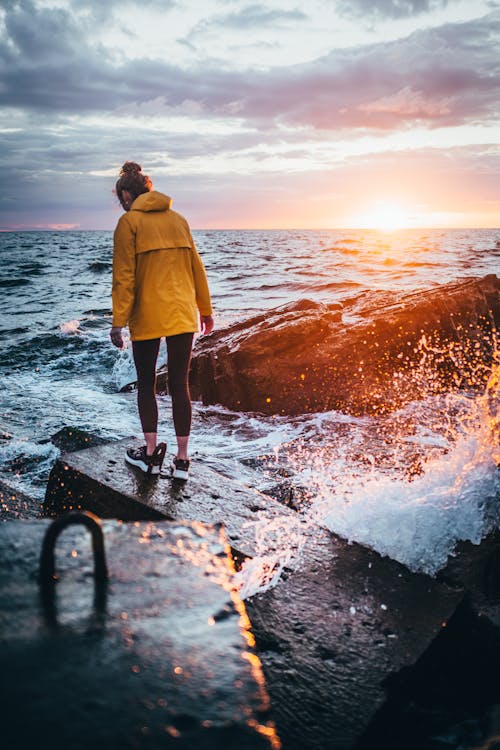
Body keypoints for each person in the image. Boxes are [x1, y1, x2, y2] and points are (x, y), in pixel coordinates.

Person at [110, 161, 214, 480]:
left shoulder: (129, 223)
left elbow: (124, 278)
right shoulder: (179, 220)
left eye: (120, 197)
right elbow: (196, 267)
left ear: (127, 194)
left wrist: (118, 321)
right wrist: (205, 310)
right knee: (180, 384)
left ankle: (151, 455)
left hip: (148, 315)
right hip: (183, 315)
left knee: (147, 384)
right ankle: (182, 461)